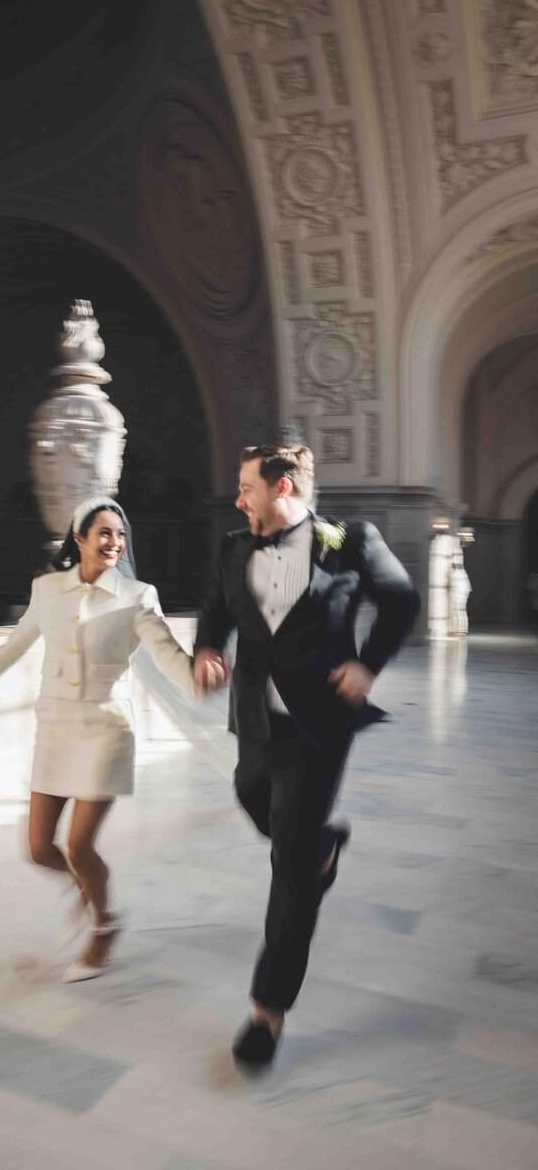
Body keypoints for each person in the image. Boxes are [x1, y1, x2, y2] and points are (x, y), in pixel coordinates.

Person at [194, 443, 419, 1071]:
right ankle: (322, 846)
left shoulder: (350, 541)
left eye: (246, 488)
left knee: (288, 862)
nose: (238, 499)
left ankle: (267, 1012)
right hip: (256, 722)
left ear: (284, 485)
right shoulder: (234, 547)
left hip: (318, 724)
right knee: (252, 798)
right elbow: (214, 612)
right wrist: (206, 649)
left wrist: (367, 663)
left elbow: (402, 601)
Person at [0, 496, 207, 982]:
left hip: (106, 731)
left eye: (120, 535)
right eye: (104, 533)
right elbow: (10, 649)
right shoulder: (46, 589)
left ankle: (105, 925)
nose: (114, 543)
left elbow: (167, 654)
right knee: (39, 848)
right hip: (56, 729)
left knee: (80, 845)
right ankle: (86, 890)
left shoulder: (136, 594)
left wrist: (200, 678)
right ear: (79, 538)